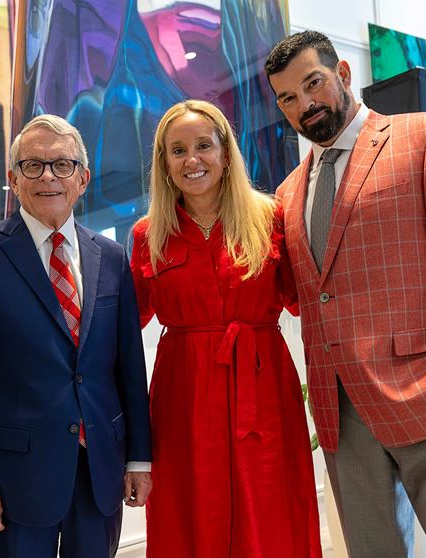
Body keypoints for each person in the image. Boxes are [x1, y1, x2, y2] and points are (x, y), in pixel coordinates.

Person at [265, 30, 426, 557]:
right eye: (288, 97)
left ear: (344, 75)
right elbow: (307, 294)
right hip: (341, 416)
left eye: (313, 84)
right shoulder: (288, 193)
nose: (304, 104)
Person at [0, 114, 152, 558]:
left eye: (62, 165)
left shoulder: (111, 257)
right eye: (32, 166)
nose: (48, 177)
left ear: (83, 178)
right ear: (14, 179)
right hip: (15, 478)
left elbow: (129, 369)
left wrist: (138, 458)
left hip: (99, 471)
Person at [129, 100, 322, 557]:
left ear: (225, 151)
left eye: (203, 146)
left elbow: (307, 301)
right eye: (177, 150)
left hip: (264, 389)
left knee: (270, 505)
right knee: (188, 508)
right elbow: (124, 324)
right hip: (185, 396)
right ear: (164, 163)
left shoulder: (271, 218)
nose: (191, 160)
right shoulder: (147, 234)